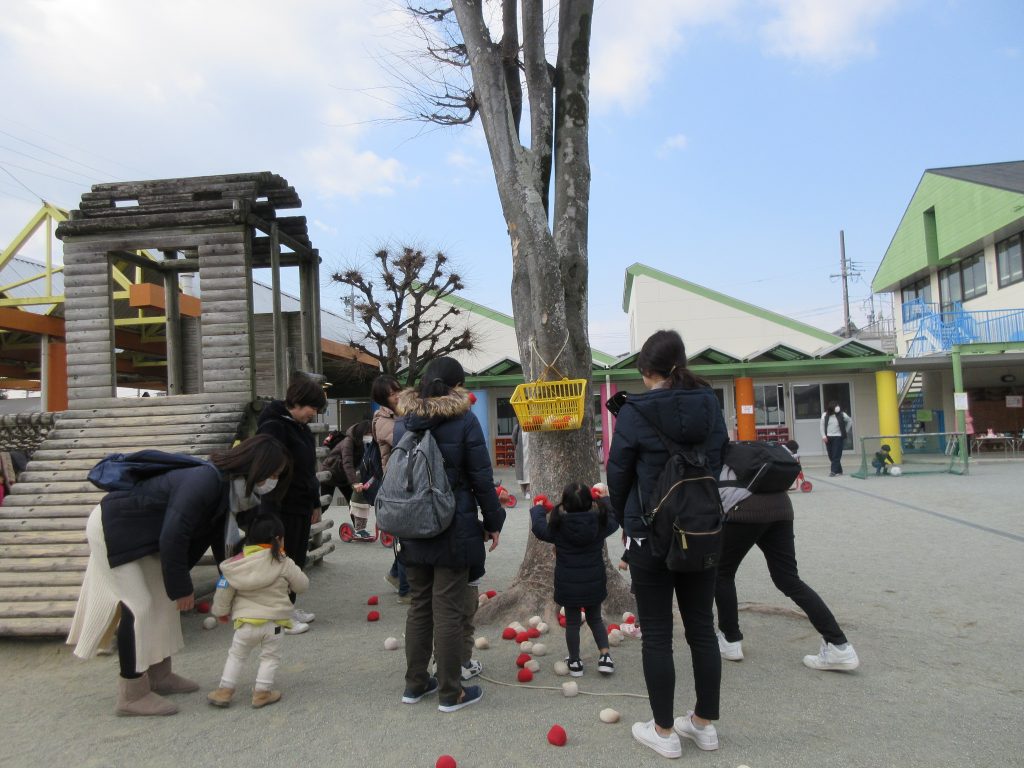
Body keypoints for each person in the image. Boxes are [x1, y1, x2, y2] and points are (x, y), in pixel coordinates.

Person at [67, 435, 292, 717]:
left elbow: (222, 545)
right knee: (140, 606)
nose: (271, 482)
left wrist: (237, 585)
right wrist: (181, 587)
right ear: (256, 466)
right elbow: (175, 533)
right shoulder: (205, 481)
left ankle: (160, 675)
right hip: (116, 531)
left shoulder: (228, 492)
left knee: (162, 604)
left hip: (146, 537)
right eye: (271, 474)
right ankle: (131, 693)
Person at [606, 330, 728, 758]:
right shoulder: (710, 403)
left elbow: (618, 473)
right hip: (702, 529)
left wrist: (626, 521)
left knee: (657, 633)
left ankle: (663, 731)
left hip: (649, 534)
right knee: (701, 627)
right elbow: (719, 456)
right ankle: (703, 724)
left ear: (646, 370)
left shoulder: (635, 411)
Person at [393, 357, 505, 713]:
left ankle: (414, 685)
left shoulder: (403, 423)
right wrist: (493, 520)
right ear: (457, 386)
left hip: (412, 526)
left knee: (419, 606)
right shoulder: (465, 421)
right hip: (452, 525)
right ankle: (450, 691)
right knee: (448, 609)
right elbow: (481, 478)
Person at [714, 491, 860, 672]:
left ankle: (730, 639)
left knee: (722, 573)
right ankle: (839, 644)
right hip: (781, 506)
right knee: (788, 579)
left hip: (741, 508)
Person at [207, 515, 310, 709]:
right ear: (279, 539)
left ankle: (224, 691)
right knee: (269, 658)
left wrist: (221, 611)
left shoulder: (236, 563)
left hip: (245, 623)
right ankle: (262, 693)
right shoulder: (282, 562)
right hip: (275, 624)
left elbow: (223, 590)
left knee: (236, 656)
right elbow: (302, 585)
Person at [257, 373, 327, 635]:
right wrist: (270, 513)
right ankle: (278, 615)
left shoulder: (301, 428)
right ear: (298, 402)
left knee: (296, 559)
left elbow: (308, 470)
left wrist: (314, 503)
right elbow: (266, 472)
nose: (314, 413)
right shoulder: (273, 426)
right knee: (280, 561)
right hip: (280, 505)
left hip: (301, 504)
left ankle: (288, 608)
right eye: (312, 408)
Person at [530, 483, 620, 677]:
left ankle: (575, 660)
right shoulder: (599, 522)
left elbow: (539, 529)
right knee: (595, 619)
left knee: (572, 623)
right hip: (593, 581)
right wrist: (604, 498)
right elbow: (614, 520)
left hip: (568, 584)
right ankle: (605, 656)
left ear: (565, 504)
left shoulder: (559, 525)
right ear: (590, 503)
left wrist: (538, 508)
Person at [371, 375, 412, 603]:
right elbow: (403, 438)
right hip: (396, 484)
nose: (397, 395)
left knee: (408, 535)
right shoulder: (381, 420)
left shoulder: (404, 413)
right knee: (405, 538)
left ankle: (396, 574)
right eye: (391, 392)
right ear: (382, 398)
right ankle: (406, 591)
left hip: (411, 479)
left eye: (398, 389)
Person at [339, 420, 374, 539]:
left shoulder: (368, 443)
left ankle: (360, 528)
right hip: (338, 472)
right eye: (368, 433)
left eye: (371, 433)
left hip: (357, 476)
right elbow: (347, 462)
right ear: (361, 432)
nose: (369, 435)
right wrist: (354, 482)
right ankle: (358, 529)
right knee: (356, 504)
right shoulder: (349, 441)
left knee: (362, 505)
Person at [820, 400, 852, 477]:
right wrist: (823, 436)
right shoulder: (824, 415)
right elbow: (821, 426)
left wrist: (845, 431)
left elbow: (850, 421)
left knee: (836, 455)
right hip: (828, 437)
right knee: (831, 455)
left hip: (838, 437)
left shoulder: (842, 414)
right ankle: (839, 470)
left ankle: (833, 471)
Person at [513, 422, 531, 499]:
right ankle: (524, 492)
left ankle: (528, 491)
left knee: (530, 473)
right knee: (521, 475)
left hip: (530, 454)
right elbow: (513, 440)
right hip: (520, 455)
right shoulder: (517, 427)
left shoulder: (532, 426)